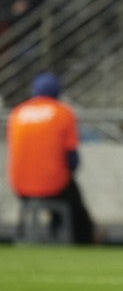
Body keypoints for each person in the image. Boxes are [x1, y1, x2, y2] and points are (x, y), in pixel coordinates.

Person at [7, 72, 95, 244]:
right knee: (74, 200)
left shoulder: (18, 113)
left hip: (20, 187)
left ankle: (26, 232)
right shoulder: (63, 113)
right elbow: (72, 160)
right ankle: (83, 240)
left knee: (63, 192)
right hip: (55, 186)